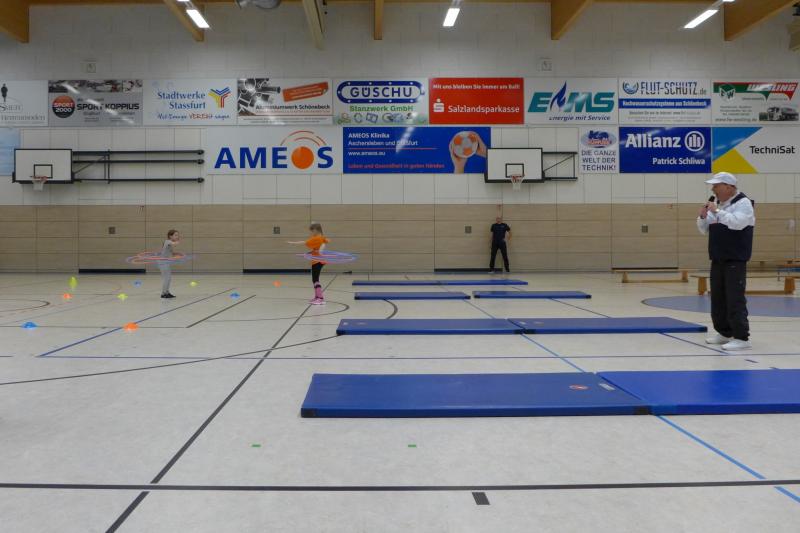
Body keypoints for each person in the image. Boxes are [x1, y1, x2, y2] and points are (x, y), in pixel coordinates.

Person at [697, 171, 755, 350]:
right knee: (718, 298)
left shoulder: (743, 203)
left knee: (734, 298)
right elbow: (703, 229)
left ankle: (741, 337)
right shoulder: (718, 205)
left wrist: (717, 211)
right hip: (718, 257)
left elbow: (737, 223)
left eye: (716, 186)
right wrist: (703, 216)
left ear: (729, 187)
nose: (713, 189)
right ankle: (724, 332)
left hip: (735, 259)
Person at [290, 222, 329, 305]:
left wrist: (293, 243)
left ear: (316, 230)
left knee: (315, 279)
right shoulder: (322, 237)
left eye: (312, 231)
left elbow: (304, 242)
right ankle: (317, 297)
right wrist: (309, 253)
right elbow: (317, 249)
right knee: (314, 279)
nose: (311, 232)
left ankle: (320, 298)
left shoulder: (317, 238)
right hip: (319, 260)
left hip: (317, 261)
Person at [159, 229, 181, 299]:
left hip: (166, 262)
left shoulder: (170, 243)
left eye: (178, 235)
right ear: (170, 236)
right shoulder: (167, 241)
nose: (177, 236)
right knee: (167, 278)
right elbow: (174, 243)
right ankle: (163, 293)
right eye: (176, 235)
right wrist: (177, 241)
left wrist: (177, 254)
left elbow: (170, 253)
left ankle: (167, 292)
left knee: (168, 278)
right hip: (163, 262)